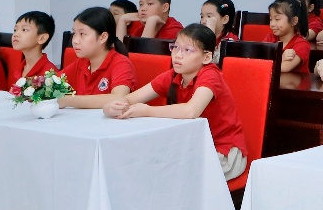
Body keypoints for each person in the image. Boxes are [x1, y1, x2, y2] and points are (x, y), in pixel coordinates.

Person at [105, 24, 247, 183]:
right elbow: (130, 98)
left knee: (168, 176)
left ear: (206, 57)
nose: (178, 55)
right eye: (176, 47)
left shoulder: (210, 75)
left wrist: (148, 111)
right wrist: (111, 106)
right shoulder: (173, 75)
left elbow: (191, 111)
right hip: (192, 147)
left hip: (224, 152)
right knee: (146, 165)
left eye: (188, 50)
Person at [61, 7, 138, 108]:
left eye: (82, 34)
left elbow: (119, 98)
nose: (75, 40)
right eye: (75, 34)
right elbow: (51, 82)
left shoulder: (121, 63)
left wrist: (67, 100)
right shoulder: (82, 62)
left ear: (103, 37)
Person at [8, 11, 57, 83]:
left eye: (24, 30)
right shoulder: (19, 68)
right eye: (15, 30)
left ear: (42, 38)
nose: (16, 34)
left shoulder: (49, 75)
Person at [267, 0, 311, 74]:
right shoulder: (270, 38)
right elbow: (259, 61)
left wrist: (276, 59)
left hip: (294, 85)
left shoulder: (302, 45)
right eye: (271, 19)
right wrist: (281, 58)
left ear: (294, 21)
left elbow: (285, 68)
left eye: (277, 19)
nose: (272, 24)